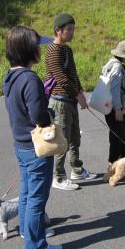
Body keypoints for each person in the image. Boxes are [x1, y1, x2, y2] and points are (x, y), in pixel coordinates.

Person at [3, 25, 62, 249]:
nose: (40, 50)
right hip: (36, 147)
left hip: (20, 144)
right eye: (37, 46)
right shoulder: (30, 78)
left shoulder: (10, 76)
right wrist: (49, 114)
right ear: (29, 50)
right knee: (37, 197)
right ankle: (35, 246)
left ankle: (30, 234)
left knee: (27, 194)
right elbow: (38, 115)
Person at [44, 13, 96, 191]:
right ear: (58, 31)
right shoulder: (52, 50)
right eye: (69, 29)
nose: (73, 32)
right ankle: (58, 177)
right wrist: (77, 95)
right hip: (59, 102)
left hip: (71, 100)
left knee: (75, 138)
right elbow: (61, 79)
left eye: (74, 29)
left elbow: (73, 74)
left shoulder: (67, 49)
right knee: (62, 140)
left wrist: (80, 90)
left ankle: (77, 169)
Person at [102, 40, 125, 164]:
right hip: (115, 108)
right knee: (118, 137)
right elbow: (114, 88)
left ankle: (124, 163)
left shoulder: (111, 63)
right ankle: (113, 165)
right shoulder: (117, 66)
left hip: (111, 106)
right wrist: (118, 108)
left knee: (122, 135)